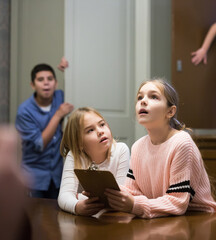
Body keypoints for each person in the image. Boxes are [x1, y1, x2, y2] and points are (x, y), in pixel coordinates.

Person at [104, 79, 216, 218]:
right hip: (164, 218)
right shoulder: (138, 146)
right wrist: (106, 194)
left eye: (153, 96)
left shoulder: (182, 143)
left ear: (170, 111)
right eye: (140, 97)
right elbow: (133, 192)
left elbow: (178, 202)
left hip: (199, 218)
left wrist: (134, 205)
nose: (143, 101)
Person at [57, 107, 130, 216]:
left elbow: (119, 197)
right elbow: (64, 196)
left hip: (113, 219)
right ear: (79, 143)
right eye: (90, 130)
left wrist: (79, 196)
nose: (100, 131)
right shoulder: (74, 156)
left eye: (102, 124)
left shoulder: (121, 150)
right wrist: (77, 206)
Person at [15, 63, 74, 199]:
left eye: (50, 79)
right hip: (34, 178)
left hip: (58, 176)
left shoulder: (60, 97)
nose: (46, 83)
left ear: (55, 82)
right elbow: (39, 144)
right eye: (40, 80)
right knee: (35, 218)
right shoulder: (24, 111)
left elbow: (75, 85)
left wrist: (68, 66)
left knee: (56, 217)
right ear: (33, 85)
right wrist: (58, 115)